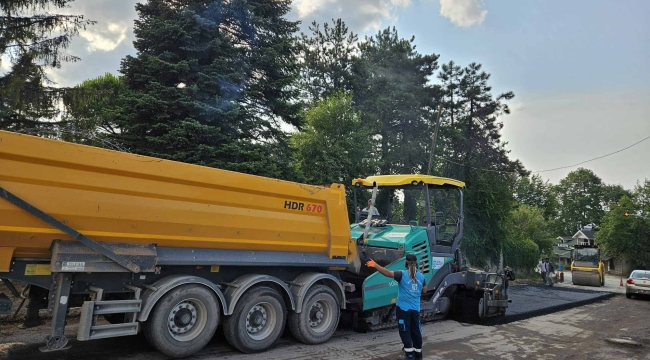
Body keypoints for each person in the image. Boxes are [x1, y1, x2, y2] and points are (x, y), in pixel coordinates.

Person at [366, 254, 427, 359]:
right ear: (416, 264)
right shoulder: (421, 276)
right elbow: (424, 290)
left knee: (405, 331)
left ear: (406, 263)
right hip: (415, 309)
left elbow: (387, 273)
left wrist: (375, 265)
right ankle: (418, 353)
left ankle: (409, 355)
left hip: (403, 309)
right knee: (416, 330)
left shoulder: (402, 274)